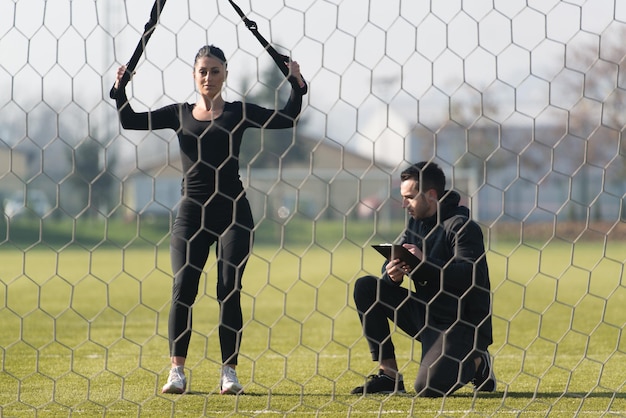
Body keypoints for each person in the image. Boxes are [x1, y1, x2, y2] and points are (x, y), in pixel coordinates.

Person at [113, 45, 306, 395]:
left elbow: (288, 117)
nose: (208, 77)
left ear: (225, 74)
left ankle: (228, 373)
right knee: (183, 288)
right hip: (191, 214)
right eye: (203, 71)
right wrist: (121, 88)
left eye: (215, 71)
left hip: (233, 212)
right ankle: (177, 372)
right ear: (194, 75)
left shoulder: (238, 112)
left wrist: (296, 84)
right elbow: (130, 120)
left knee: (228, 289)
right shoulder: (179, 113)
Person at [351, 161, 495, 397]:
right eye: (402, 196)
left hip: (461, 325)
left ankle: (479, 363)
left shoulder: (463, 227)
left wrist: (423, 262)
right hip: (427, 315)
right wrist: (392, 274)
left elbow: (470, 276)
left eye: (409, 197)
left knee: (427, 388)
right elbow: (401, 258)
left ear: (430, 195)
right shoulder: (415, 224)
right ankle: (389, 376)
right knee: (367, 287)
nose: (404, 203)